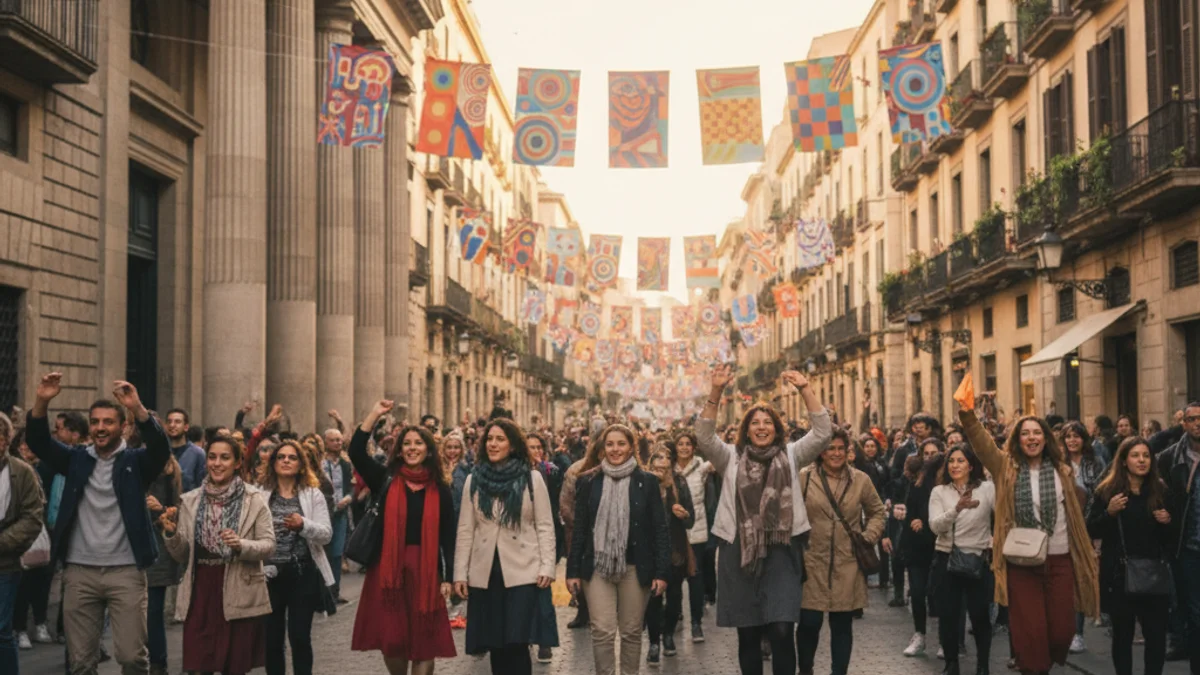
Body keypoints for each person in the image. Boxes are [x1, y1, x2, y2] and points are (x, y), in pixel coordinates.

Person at [25, 374, 170, 673]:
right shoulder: (76, 459)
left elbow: (160, 449)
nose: (100, 428)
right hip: (80, 573)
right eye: (95, 422)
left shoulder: (135, 462)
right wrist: (42, 401)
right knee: (80, 662)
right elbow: (38, 442)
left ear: (123, 426)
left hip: (126, 572)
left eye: (108, 422)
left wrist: (137, 408)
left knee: (132, 657)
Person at [695, 365, 832, 675]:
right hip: (738, 552)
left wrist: (805, 389)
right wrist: (716, 390)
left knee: (782, 630)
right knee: (749, 634)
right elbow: (703, 436)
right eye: (755, 423)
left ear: (776, 428)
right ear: (746, 429)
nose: (761, 427)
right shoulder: (729, 457)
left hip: (783, 550)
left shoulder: (792, 454)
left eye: (767, 422)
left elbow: (823, 433)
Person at [959, 406, 1099, 675]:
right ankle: (1035, 667)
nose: (1032, 438)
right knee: (1031, 633)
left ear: (1046, 438)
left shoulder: (1062, 471)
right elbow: (982, 444)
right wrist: (968, 416)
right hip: (1021, 562)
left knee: (1063, 631)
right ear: (1017, 439)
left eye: (1037, 433)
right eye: (1025, 433)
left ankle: (1041, 660)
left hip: (1060, 559)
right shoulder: (1006, 467)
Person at [349, 401, 456, 673]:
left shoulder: (441, 489)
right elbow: (356, 452)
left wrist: (449, 577)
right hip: (387, 570)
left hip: (425, 571)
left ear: (429, 450)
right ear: (399, 450)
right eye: (406, 443)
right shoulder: (384, 479)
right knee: (393, 641)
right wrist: (374, 414)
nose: (412, 448)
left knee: (425, 640)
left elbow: (448, 537)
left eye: (418, 443)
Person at [161, 433, 275, 674]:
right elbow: (182, 556)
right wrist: (172, 534)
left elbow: (268, 545)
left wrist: (241, 545)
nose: (217, 463)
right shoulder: (190, 501)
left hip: (237, 587)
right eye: (212, 457)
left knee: (234, 667)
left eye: (225, 458)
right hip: (200, 589)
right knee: (199, 666)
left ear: (237, 463)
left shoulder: (254, 499)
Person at [455, 418, 557, 675]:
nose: (493, 444)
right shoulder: (473, 480)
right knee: (495, 644)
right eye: (489, 439)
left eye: (500, 439)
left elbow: (545, 525)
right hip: (486, 572)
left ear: (512, 445)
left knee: (517, 642)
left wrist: (547, 566)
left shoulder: (532, 479)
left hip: (523, 571)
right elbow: (466, 530)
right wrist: (459, 574)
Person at [566, 424, 668, 675]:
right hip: (597, 566)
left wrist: (662, 573)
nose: (615, 449)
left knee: (631, 631)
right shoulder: (588, 481)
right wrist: (572, 571)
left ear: (632, 447)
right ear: (602, 448)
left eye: (621, 443)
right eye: (610, 444)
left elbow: (659, 530)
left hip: (636, 567)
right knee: (602, 630)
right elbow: (580, 530)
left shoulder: (647, 482)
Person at [795, 428, 886, 675]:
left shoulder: (861, 480)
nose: (836, 454)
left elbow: (878, 512)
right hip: (812, 560)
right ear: (821, 452)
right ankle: (805, 670)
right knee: (809, 622)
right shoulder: (805, 478)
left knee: (842, 624)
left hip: (848, 562)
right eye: (830, 449)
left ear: (848, 451)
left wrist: (868, 537)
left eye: (840, 449)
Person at [1087, 436, 1173, 675]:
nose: (1142, 460)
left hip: (1154, 574)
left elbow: (1171, 538)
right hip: (1119, 575)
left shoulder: (1160, 490)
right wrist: (1110, 513)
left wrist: (1168, 522)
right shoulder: (1108, 491)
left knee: (1156, 636)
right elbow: (1091, 529)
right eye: (1135, 455)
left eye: (1146, 456)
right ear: (1124, 461)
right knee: (1122, 636)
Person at [260, 439, 334, 675]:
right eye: (281, 457)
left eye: (292, 457)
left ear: (301, 464)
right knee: (272, 640)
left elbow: (326, 534)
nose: (286, 461)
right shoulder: (260, 493)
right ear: (273, 462)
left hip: (302, 574)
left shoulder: (312, 494)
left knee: (300, 637)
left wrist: (303, 525)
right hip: (268, 575)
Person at [929, 444, 996, 675]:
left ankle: (983, 665)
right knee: (948, 616)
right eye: (951, 461)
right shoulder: (939, 492)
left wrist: (995, 540)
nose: (955, 465)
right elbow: (935, 526)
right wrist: (957, 509)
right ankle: (951, 663)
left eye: (960, 461)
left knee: (980, 616)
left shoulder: (987, 489)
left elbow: (1002, 516)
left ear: (971, 465)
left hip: (978, 560)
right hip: (947, 559)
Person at [1157, 400, 1200, 672]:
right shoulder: (1170, 457)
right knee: (1194, 611)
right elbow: (1157, 494)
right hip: (1187, 546)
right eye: (1192, 419)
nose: (1198, 424)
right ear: (1183, 424)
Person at [0, 412, 45, 675]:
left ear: (7, 440)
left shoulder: (22, 472)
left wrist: (3, 542)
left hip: (5, 564)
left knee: (1, 630)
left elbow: (32, 518)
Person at [643, 445, 696, 665]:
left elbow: (691, 519)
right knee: (653, 599)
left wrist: (683, 515)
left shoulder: (679, 483)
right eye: (657, 465)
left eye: (665, 466)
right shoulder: (643, 483)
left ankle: (668, 635)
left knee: (674, 598)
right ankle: (654, 642)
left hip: (675, 551)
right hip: (651, 552)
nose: (661, 470)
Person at [1059, 420, 1106, 653]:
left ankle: (1077, 633)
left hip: (1086, 528)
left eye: (1076, 436)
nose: (1072, 440)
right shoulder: (1057, 463)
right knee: (1063, 581)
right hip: (1061, 528)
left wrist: (1094, 530)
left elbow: (1101, 495)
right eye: (1068, 436)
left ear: (1083, 439)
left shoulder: (1095, 462)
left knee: (1080, 580)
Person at [11, 428, 54, 651]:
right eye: (23, 444)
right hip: (20, 530)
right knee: (23, 583)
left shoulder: (42, 467)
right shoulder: (15, 469)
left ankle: (40, 622)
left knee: (42, 579)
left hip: (40, 529)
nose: (27, 448)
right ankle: (19, 628)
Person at [901, 440, 944, 657]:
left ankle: (946, 640)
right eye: (926, 453)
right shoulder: (916, 483)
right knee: (917, 593)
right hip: (918, 547)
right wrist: (913, 522)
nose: (929, 457)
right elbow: (910, 513)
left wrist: (924, 523)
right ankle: (919, 635)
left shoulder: (947, 483)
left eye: (934, 453)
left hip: (941, 547)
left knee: (940, 596)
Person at [673, 430, 714, 641]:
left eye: (688, 444)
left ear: (693, 447)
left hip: (697, 528)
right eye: (680, 443)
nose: (684, 447)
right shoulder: (668, 469)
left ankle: (696, 623)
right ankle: (675, 614)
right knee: (675, 577)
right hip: (675, 531)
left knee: (695, 578)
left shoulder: (702, 467)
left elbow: (720, 458)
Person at [525, 431, 562, 664]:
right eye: (531, 447)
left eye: (539, 447)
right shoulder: (516, 474)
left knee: (543, 591)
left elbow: (556, 507)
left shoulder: (552, 472)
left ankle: (544, 642)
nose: (536, 451)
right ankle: (527, 634)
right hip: (524, 541)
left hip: (546, 536)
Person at [143, 454, 182, 675]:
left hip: (158, 549)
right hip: (130, 548)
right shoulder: (127, 463)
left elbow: (179, 510)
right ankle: (143, 660)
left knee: (153, 611)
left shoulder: (169, 469)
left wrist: (162, 511)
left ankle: (157, 663)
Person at [320, 428, 353, 604]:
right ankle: (322, 592)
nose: (337, 443)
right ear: (325, 442)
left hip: (340, 512)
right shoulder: (320, 464)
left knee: (337, 553)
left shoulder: (345, 464)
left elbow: (351, 487)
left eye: (339, 440)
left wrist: (348, 498)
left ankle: (334, 591)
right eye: (333, 440)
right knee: (323, 552)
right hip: (323, 513)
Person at [854, 433, 891, 589]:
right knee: (865, 540)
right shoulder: (862, 465)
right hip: (864, 505)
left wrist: (887, 498)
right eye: (867, 446)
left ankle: (884, 578)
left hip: (880, 503)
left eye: (872, 446)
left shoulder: (882, 463)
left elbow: (888, 482)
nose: (870, 449)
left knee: (883, 540)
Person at [163, 408, 206, 492]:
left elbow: (201, 486)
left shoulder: (198, 454)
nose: (172, 425)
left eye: (177, 422)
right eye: (169, 421)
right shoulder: (159, 452)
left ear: (186, 427)